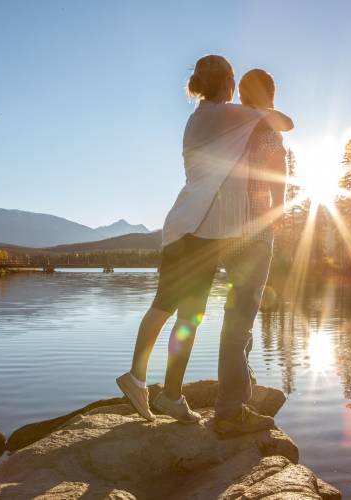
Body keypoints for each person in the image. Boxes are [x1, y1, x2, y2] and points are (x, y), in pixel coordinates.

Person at [116, 55, 293, 426]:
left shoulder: (197, 117)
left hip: (188, 224)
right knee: (176, 310)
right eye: (232, 80)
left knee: (183, 313)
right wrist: (262, 108)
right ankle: (141, 380)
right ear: (227, 82)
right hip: (200, 229)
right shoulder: (228, 114)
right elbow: (285, 124)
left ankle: (168, 393)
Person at [213, 69, 288, 437]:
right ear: (270, 95)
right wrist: (278, 216)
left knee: (238, 312)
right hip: (255, 230)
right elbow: (279, 177)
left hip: (225, 231)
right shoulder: (267, 129)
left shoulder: (230, 127)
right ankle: (229, 410)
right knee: (240, 317)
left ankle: (241, 387)